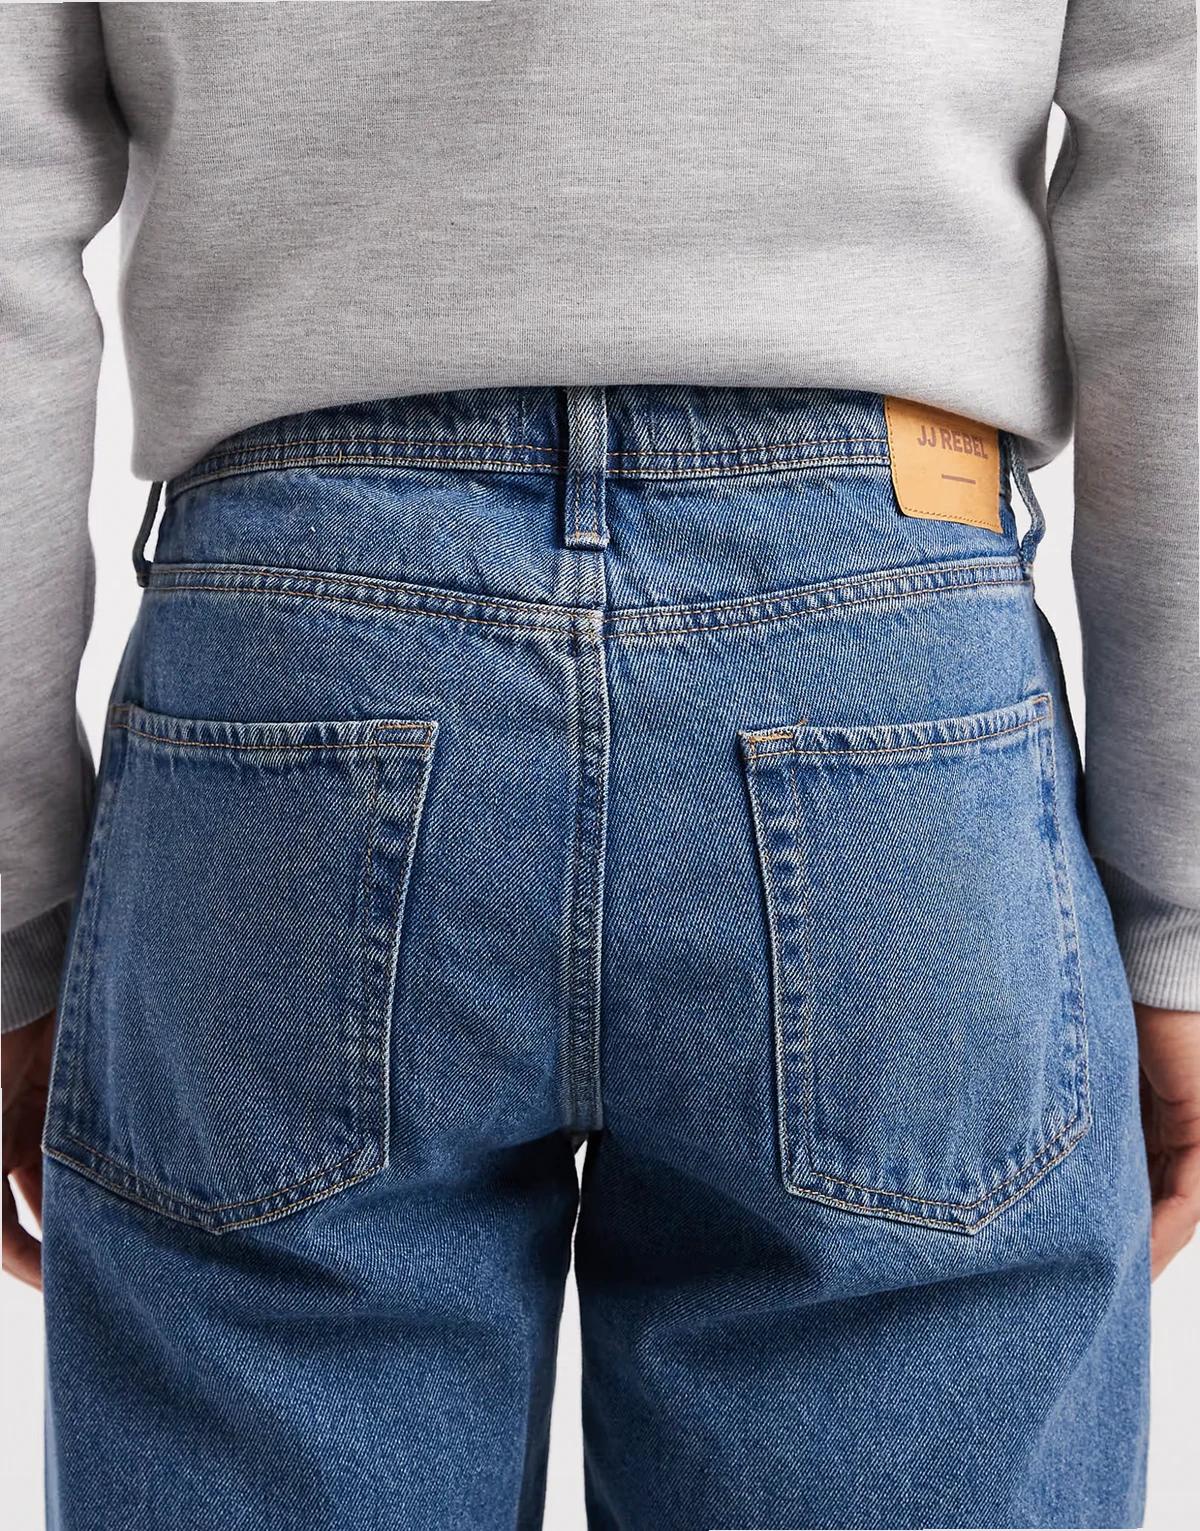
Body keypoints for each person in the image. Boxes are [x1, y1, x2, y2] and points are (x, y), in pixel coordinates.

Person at [1, 5, 1196, 1529]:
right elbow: (1181, 197)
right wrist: (1181, 910)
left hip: (300, 658)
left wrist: (13, 915)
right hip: (873, 670)